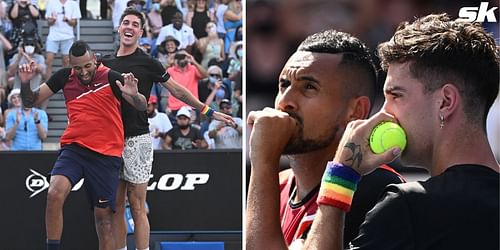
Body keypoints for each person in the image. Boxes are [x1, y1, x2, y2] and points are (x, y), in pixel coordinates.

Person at [301, 14, 500, 250]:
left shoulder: (408, 207)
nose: (384, 112)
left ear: (445, 102)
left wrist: (341, 174)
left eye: (395, 95)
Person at [246, 29, 405, 249]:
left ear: (356, 111)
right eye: (284, 86)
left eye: (309, 87)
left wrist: (263, 162)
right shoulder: (278, 184)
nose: (285, 102)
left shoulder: (382, 193)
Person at [101, 7, 233, 250]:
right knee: (116, 207)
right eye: (126, 22)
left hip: (138, 140)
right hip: (110, 141)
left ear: (141, 32)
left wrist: (209, 111)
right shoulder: (104, 64)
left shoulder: (148, 62)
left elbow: (179, 91)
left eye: (134, 24)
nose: (129, 27)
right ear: (119, 27)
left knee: (138, 206)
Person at [18, 40, 147, 250]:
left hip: (106, 155)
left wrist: (134, 95)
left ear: (94, 60)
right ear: (71, 64)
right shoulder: (64, 77)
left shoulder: (111, 77)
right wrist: (25, 83)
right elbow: (30, 101)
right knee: (54, 194)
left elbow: (141, 106)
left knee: (104, 221)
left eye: (87, 66)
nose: (84, 72)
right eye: (78, 68)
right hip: (74, 149)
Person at [44, 0, 81, 78]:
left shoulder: (73, 4)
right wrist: (53, 20)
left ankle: (66, 84)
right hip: (53, 36)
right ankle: (48, 85)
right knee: (48, 61)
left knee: (66, 62)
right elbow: (48, 22)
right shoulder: (51, 3)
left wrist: (67, 20)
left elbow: (74, 23)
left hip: (68, 36)